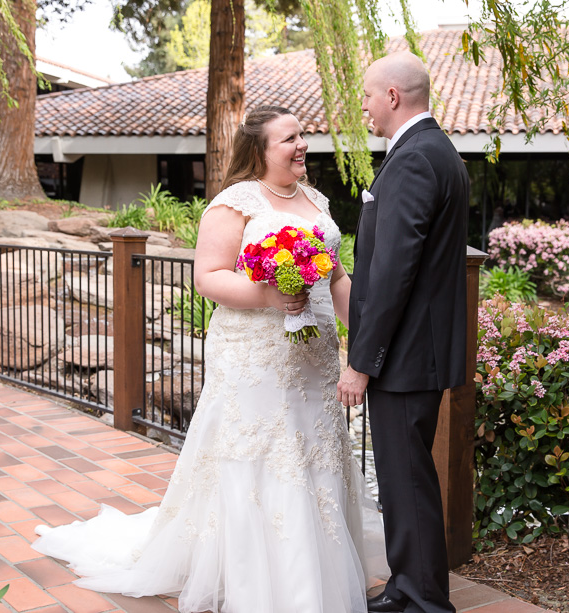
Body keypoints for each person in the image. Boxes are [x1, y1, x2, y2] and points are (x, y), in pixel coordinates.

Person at [32, 105, 388, 613]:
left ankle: (317, 569)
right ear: (261, 150)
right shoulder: (233, 204)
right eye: (290, 138)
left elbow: (335, 279)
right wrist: (268, 296)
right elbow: (210, 277)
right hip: (255, 353)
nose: (302, 144)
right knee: (261, 454)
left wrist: (368, 337)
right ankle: (263, 582)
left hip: (313, 355)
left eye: (302, 135)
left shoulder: (316, 200)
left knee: (315, 450)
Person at [337, 51, 469, 613]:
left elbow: (394, 272)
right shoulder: (436, 151)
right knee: (403, 478)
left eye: (367, 95)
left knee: (405, 480)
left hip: (405, 355)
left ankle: (422, 602)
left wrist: (361, 361)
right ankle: (407, 589)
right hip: (419, 352)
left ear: (393, 96)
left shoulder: (415, 158)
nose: (363, 106)